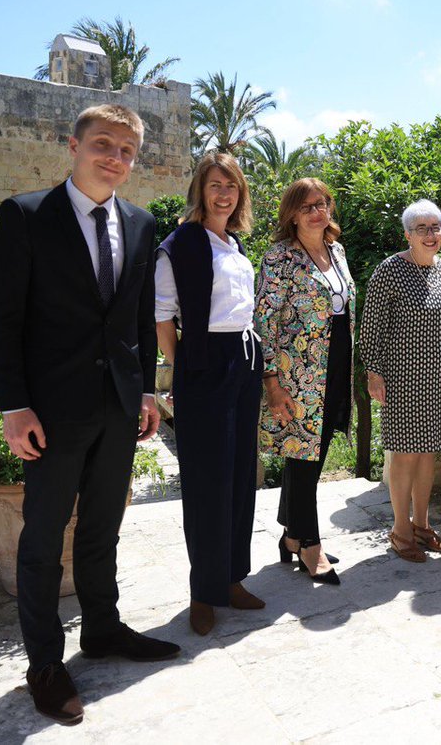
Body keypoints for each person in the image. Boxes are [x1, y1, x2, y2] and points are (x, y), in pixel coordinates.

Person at [0, 104, 178, 725]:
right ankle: (44, 663)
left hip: (119, 406)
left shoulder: (142, 224)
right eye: (103, 144)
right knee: (42, 539)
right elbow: (2, 317)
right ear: (74, 144)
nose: (114, 157)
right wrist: (14, 405)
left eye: (126, 149)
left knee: (101, 526)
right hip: (51, 410)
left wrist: (146, 391)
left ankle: (103, 628)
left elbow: (140, 319)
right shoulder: (26, 215)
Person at [156, 152, 264, 635]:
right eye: (216, 185)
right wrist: (185, 369)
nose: (224, 194)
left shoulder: (234, 245)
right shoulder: (179, 245)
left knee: (241, 473)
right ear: (200, 189)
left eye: (233, 186)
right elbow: (163, 316)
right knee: (206, 481)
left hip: (244, 360)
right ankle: (204, 590)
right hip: (204, 364)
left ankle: (230, 579)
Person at [257, 178, 355, 584]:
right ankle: (309, 546)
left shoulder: (337, 250)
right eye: (308, 206)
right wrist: (272, 382)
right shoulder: (279, 258)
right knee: (303, 458)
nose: (318, 211)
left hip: (335, 366)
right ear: (292, 214)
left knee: (313, 453)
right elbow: (263, 321)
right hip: (297, 376)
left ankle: (291, 535)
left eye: (323, 204)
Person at [360, 200, 441, 562]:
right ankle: (400, 531)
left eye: (435, 227)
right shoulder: (390, 270)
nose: (430, 234)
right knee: (404, 454)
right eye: (422, 228)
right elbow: (370, 329)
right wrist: (374, 373)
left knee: (427, 453)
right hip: (402, 379)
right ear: (407, 234)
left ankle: (422, 523)